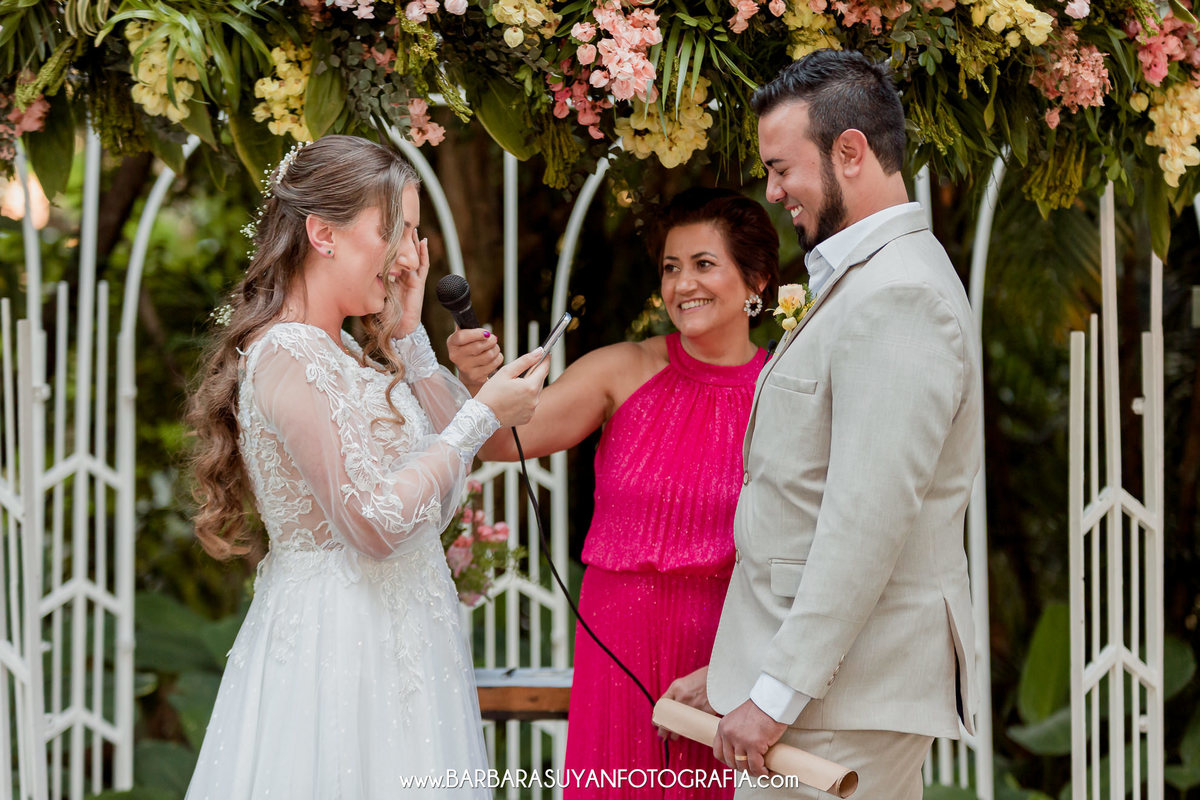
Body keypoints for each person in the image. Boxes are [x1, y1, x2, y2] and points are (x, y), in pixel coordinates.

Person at [184, 135, 550, 799]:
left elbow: (443, 473)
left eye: (413, 234)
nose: (410, 257)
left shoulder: (347, 352)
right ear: (323, 234)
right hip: (341, 649)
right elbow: (373, 523)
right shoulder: (288, 355)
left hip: (408, 638)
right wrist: (481, 413)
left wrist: (411, 337)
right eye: (395, 231)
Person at [662, 50, 982, 799]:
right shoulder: (869, 281)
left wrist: (776, 696)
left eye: (782, 168)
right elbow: (801, 516)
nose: (773, 192)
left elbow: (864, 524)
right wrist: (742, 671)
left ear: (851, 151)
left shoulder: (900, 296)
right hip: (822, 695)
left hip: (839, 708)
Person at [449, 188, 780, 799]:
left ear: (756, 279)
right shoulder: (621, 369)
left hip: (725, 652)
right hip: (617, 641)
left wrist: (743, 669)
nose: (682, 284)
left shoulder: (783, 391)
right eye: (671, 267)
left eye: (703, 264)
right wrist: (477, 380)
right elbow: (498, 442)